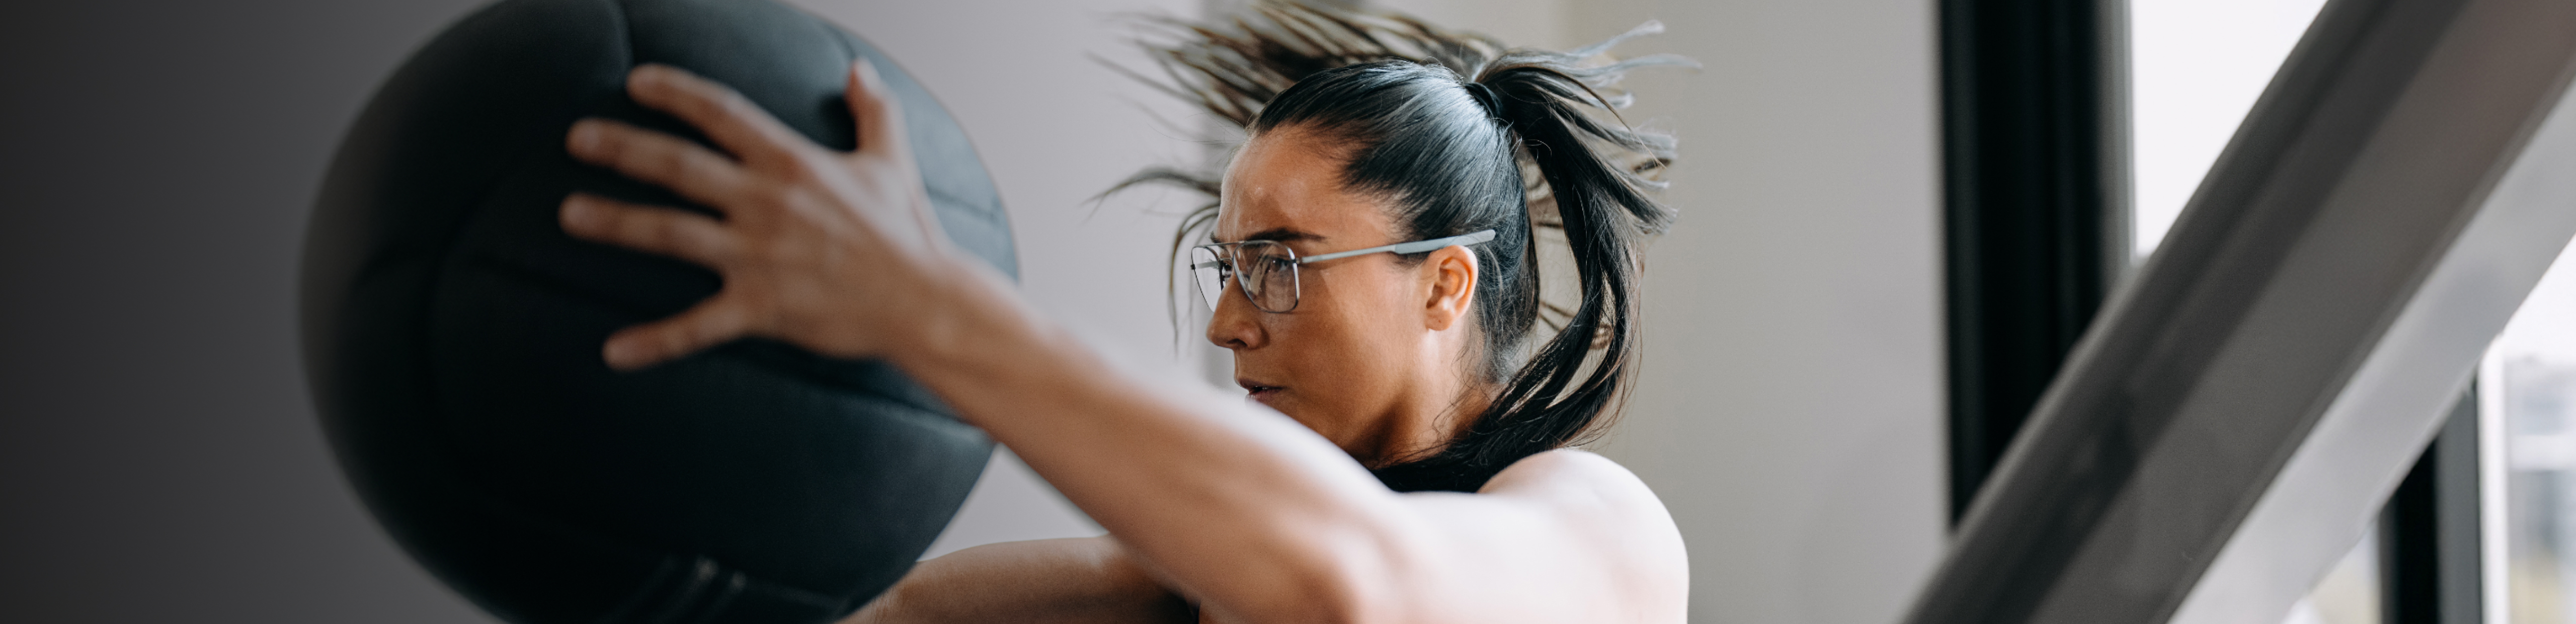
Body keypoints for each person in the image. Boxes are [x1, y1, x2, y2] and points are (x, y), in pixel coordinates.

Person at [552, 3, 1691, 621]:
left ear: (1443, 282)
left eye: (1283, 264)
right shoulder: (1182, 577)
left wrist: (919, 302)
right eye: (1227, 264)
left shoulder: (1602, 527)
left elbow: (1352, 583)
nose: (1227, 325)